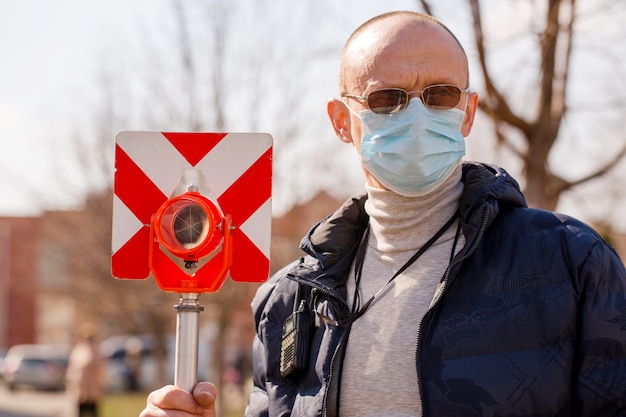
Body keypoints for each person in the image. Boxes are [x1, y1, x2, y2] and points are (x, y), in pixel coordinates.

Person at [140, 11, 626, 417]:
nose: (416, 116)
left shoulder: (570, 261)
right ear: (340, 121)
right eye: (386, 99)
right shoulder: (289, 299)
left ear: (469, 112)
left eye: (440, 95)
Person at [66, 323, 105, 417]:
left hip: (93, 391)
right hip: (80, 391)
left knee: (93, 413)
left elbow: (100, 371)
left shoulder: (96, 352)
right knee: (80, 413)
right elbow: (72, 371)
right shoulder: (77, 351)